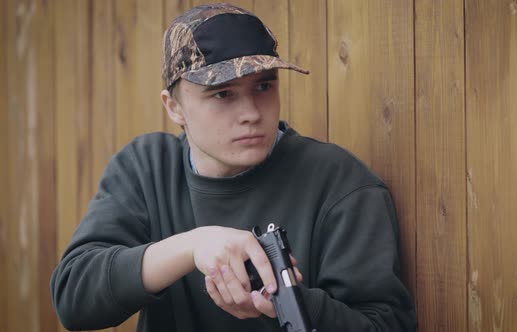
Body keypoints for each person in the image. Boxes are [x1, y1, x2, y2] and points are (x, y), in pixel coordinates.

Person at [50, 3, 417, 331]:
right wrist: (193, 246)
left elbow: (386, 324)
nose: (251, 114)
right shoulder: (147, 168)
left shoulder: (340, 183)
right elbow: (73, 299)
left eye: (263, 86)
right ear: (174, 107)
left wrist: (284, 298)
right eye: (222, 93)